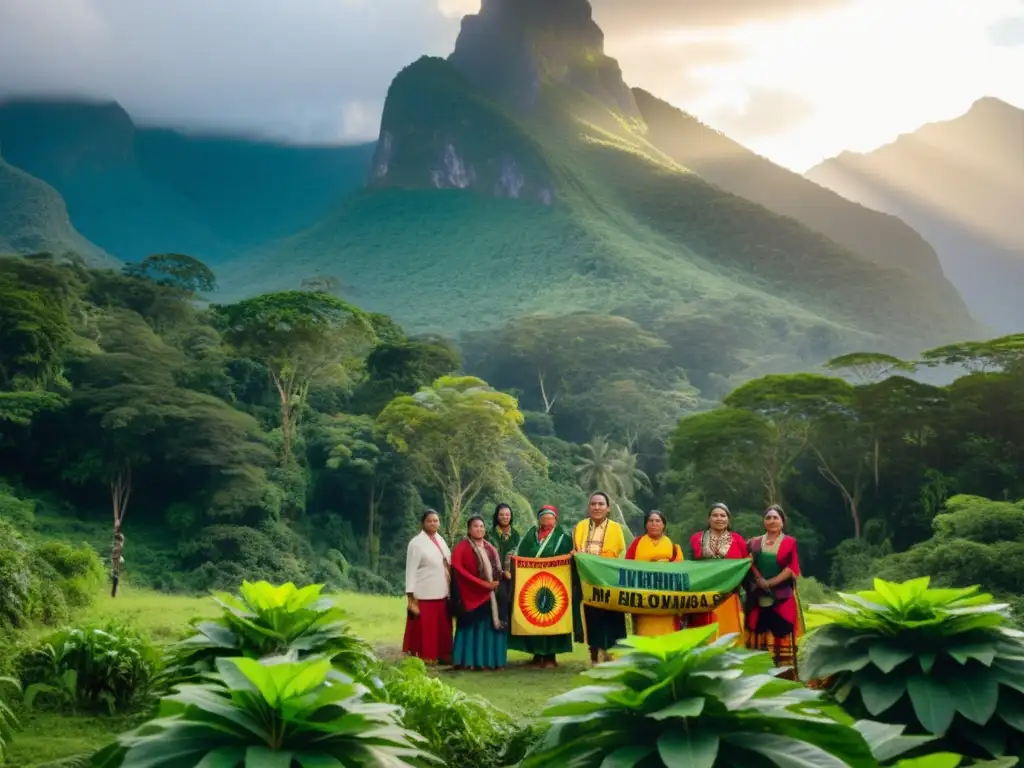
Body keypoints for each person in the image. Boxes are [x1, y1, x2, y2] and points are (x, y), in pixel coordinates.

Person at [508, 505, 573, 668]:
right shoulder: (531, 536)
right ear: (539, 519)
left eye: (550, 516)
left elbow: (568, 559)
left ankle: (551, 656)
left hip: (555, 583)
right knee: (533, 614)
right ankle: (537, 654)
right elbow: (521, 554)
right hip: (532, 582)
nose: (547, 519)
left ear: (556, 519)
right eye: (543, 516)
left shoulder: (563, 538)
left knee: (552, 614)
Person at [745, 504, 804, 677]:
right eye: (768, 517)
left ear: (782, 522)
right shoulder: (754, 543)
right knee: (758, 632)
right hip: (757, 596)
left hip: (782, 596)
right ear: (764, 521)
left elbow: (791, 568)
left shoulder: (790, 542)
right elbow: (749, 564)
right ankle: (758, 674)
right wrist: (758, 580)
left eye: (775, 518)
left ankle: (784, 674)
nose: (771, 521)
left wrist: (769, 583)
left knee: (782, 631)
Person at [573, 491, 628, 664]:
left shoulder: (615, 528)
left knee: (612, 618)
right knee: (592, 618)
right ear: (589, 507)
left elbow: (618, 553)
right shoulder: (580, 527)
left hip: (609, 581)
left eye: (601, 504)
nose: (597, 507)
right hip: (587, 582)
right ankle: (594, 656)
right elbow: (577, 551)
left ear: (608, 508)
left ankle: (611, 656)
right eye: (593, 504)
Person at [450, 515, 508, 670]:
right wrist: (483, 584)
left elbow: (497, 569)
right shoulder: (462, 547)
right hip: (471, 594)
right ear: (469, 529)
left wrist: (499, 577)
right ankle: (469, 661)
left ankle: (490, 661)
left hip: (491, 595)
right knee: (472, 628)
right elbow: (459, 570)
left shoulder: (490, 547)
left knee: (488, 629)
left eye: (482, 526)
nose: (479, 529)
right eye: (475, 526)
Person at [688, 503, 750, 641]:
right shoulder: (696, 539)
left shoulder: (738, 540)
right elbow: (689, 566)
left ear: (728, 519)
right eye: (715, 515)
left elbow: (745, 566)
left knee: (729, 634)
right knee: (703, 634)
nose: (719, 518)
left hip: (729, 595)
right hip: (702, 597)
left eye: (723, 515)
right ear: (708, 519)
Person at [403, 509, 453, 665]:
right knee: (425, 629)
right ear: (423, 523)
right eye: (430, 521)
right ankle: (424, 656)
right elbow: (411, 569)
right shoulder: (416, 543)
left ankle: (443, 655)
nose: (433, 523)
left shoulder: (440, 540)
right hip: (424, 593)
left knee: (443, 628)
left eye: (436, 520)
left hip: (442, 591)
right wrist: (410, 595)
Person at [625, 510, 684, 637]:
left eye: (658, 521)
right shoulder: (637, 543)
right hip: (643, 598)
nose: (654, 524)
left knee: (668, 633)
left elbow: (680, 571)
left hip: (666, 598)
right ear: (646, 524)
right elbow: (627, 567)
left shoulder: (672, 545)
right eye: (651, 521)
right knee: (644, 631)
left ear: (663, 525)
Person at [486, 502, 521, 629]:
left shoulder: (516, 535)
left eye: (507, 514)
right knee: (497, 606)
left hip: (512, 577)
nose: (505, 517)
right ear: (497, 516)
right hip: (493, 578)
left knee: (510, 606)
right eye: (502, 514)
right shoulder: (489, 535)